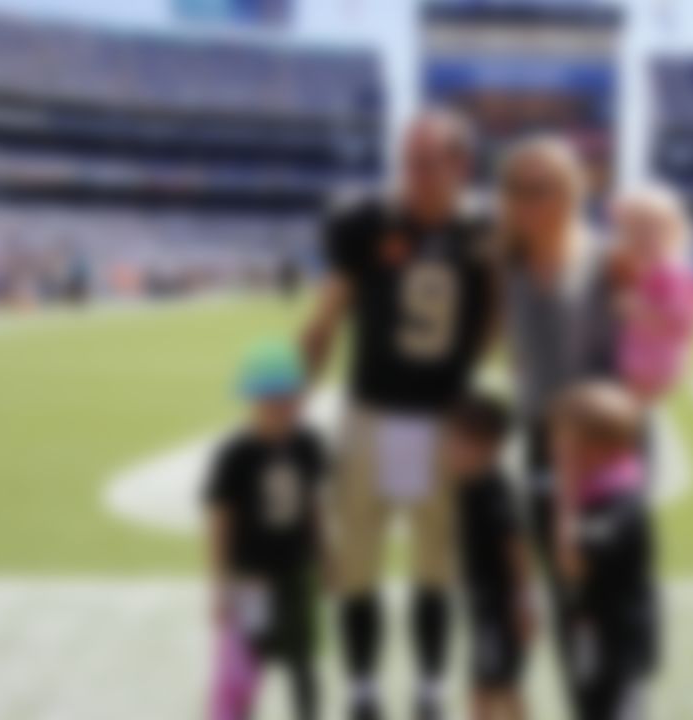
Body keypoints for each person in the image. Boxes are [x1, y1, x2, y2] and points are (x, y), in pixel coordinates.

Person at [302, 109, 498, 720]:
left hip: (442, 420)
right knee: (357, 565)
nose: (410, 174)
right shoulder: (365, 221)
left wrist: (468, 377)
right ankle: (362, 687)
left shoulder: (486, 230)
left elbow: (496, 315)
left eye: (426, 161)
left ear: (461, 165)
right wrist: (296, 394)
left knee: (435, 569)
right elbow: (327, 314)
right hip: (370, 412)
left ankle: (431, 686)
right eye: (406, 160)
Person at [497, 136, 615, 688]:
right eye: (516, 189)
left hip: (598, 447)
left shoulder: (605, 260)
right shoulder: (505, 263)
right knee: (564, 601)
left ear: (572, 192)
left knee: (602, 599)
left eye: (542, 188)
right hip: (538, 441)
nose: (528, 201)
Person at [203, 342, 330, 720]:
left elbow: (313, 505)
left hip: (295, 572)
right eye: (271, 401)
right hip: (252, 578)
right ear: (252, 402)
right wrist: (220, 584)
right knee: (246, 669)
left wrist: (324, 553)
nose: (281, 409)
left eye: (288, 399)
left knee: (303, 663)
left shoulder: (309, 445)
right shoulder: (235, 454)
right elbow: (220, 522)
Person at [551, 382, 660, 720]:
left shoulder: (619, 503)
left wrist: (566, 498)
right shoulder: (597, 490)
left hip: (619, 643)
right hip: (593, 633)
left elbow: (572, 562)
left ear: (596, 448)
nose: (558, 448)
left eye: (566, 439)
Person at [444, 393, 534, 720]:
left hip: (500, 611)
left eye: (455, 442)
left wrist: (524, 603)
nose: (448, 449)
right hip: (485, 608)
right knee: (494, 686)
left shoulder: (494, 493)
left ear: (487, 447)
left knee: (493, 688)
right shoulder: (466, 485)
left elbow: (517, 549)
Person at [609, 186, 693, 405]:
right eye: (631, 230)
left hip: (653, 363)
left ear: (674, 231)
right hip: (640, 358)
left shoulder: (672, 271)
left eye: (649, 230)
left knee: (625, 414)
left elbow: (682, 320)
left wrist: (635, 310)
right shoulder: (647, 267)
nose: (639, 237)